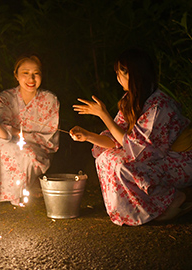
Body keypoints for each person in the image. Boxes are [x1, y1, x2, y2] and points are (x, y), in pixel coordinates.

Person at [70, 48, 192, 226]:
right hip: (153, 155)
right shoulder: (131, 99)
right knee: (106, 158)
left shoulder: (159, 106)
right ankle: (141, 211)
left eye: (120, 73)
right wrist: (88, 136)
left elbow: (136, 149)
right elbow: (116, 138)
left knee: (123, 166)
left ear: (133, 74)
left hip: (179, 161)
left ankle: (172, 198)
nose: (118, 78)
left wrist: (103, 114)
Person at [0, 55, 59, 206]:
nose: (31, 78)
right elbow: (2, 136)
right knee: (7, 148)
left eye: (36, 73)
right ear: (16, 75)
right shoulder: (5, 98)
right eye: (25, 73)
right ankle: (12, 194)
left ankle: (24, 189)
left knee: (25, 151)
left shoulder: (50, 99)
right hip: (6, 144)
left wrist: (17, 133)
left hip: (37, 148)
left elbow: (48, 137)